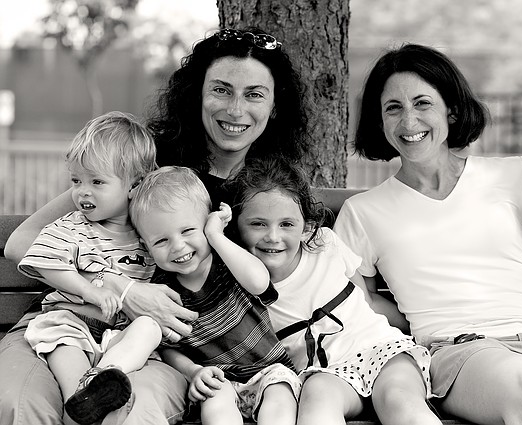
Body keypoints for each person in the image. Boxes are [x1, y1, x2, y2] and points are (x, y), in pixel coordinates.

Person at [1, 26, 308, 425]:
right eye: (220, 90)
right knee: (22, 404)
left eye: (254, 94)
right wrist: (122, 288)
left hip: (159, 349)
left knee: (128, 414)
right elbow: (23, 241)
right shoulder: (141, 164)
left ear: (274, 106)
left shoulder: (267, 191)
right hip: (67, 322)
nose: (235, 110)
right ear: (196, 93)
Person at [332, 43, 522, 425]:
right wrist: (416, 312)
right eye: (393, 108)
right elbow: (354, 299)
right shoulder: (363, 213)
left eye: (422, 103)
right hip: (459, 350)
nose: (409, 121)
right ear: (379, 120)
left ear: (450, 110)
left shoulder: (512, 176)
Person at [230, 157, 440, 425]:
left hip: (381, 351)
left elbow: (366, 301)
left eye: (286, 224)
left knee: (399, 400)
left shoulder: (326, 245)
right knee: (316, 400)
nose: (273, 236)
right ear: (237, 226)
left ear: (306, 227)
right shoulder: (241, 292)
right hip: (328, 375)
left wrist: (420, 331)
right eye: (258, 224)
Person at [16, 111, 161, 425]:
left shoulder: (147, 236)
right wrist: (88, 290)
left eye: (97, 182)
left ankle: (103, 377)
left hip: (115, 336)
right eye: (76, 181)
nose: (82, 192)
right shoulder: (72, 227)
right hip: (70, 323)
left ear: (134, 186)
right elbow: (45, 262)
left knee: (149, 328)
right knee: (66, 351)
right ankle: (80, 398)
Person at [129, 166, 301, 425]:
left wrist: (215, 235)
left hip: (270, 370)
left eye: (188, 231)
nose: (178, 246)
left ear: (207, 224)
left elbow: (258, 282)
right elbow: (167, 348)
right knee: (215, 405)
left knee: (279, 400)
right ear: (146, 246)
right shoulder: (161, 293)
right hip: (218, 378)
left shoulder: (228, 260)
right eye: (161, 241)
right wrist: (194, 371)